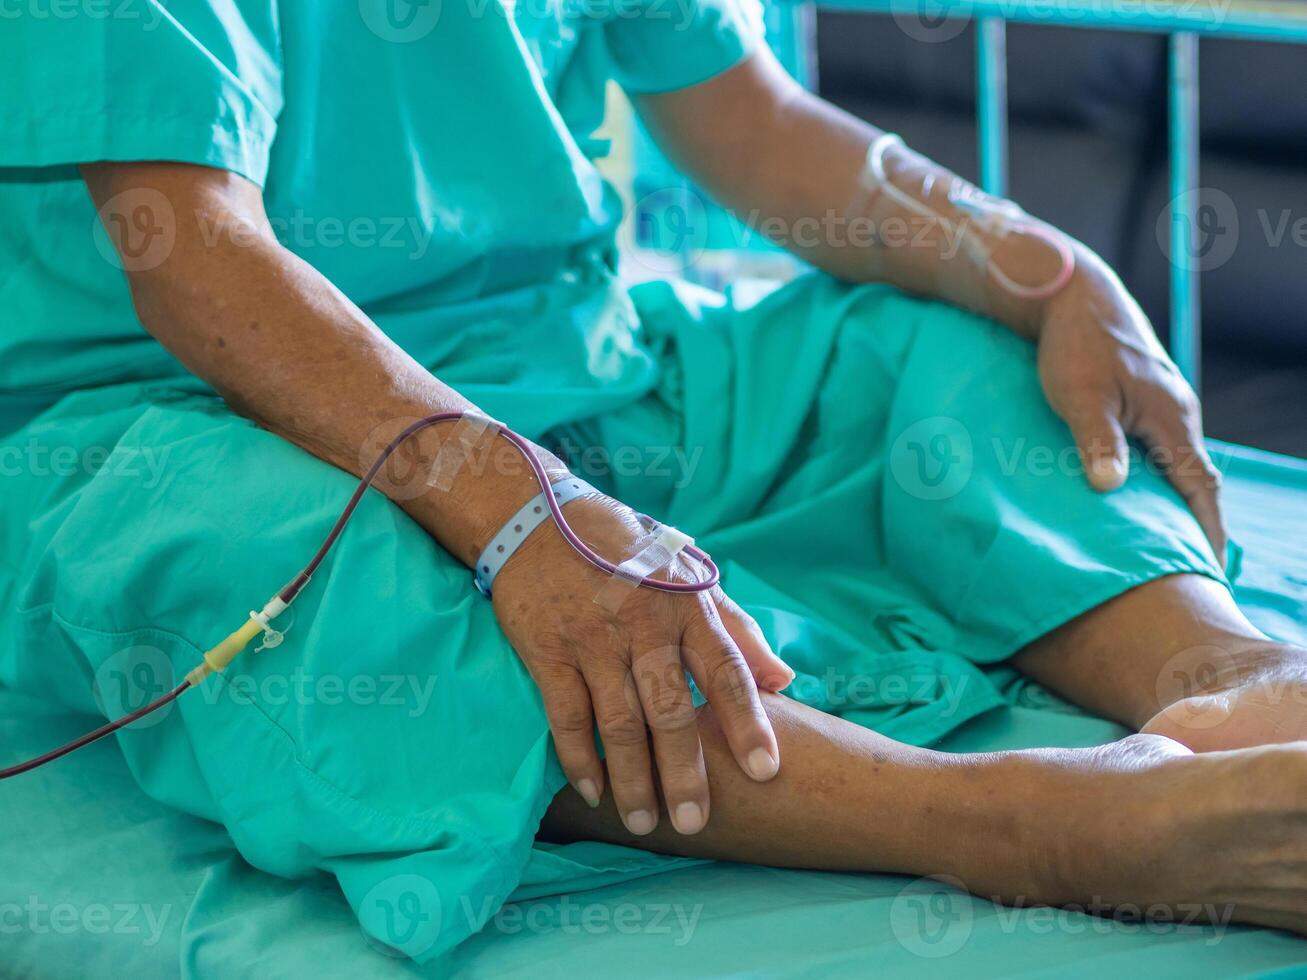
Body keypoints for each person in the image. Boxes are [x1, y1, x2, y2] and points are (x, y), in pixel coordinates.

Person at [1, 0, 1304, 961]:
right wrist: (513, 509)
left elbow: (754, 121)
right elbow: (195, 257)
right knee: (258, 558)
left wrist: (1052, 274)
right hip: (216, 411)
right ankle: (1017, 822)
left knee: (954, 340)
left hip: (585, 381)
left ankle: (1228, 680)